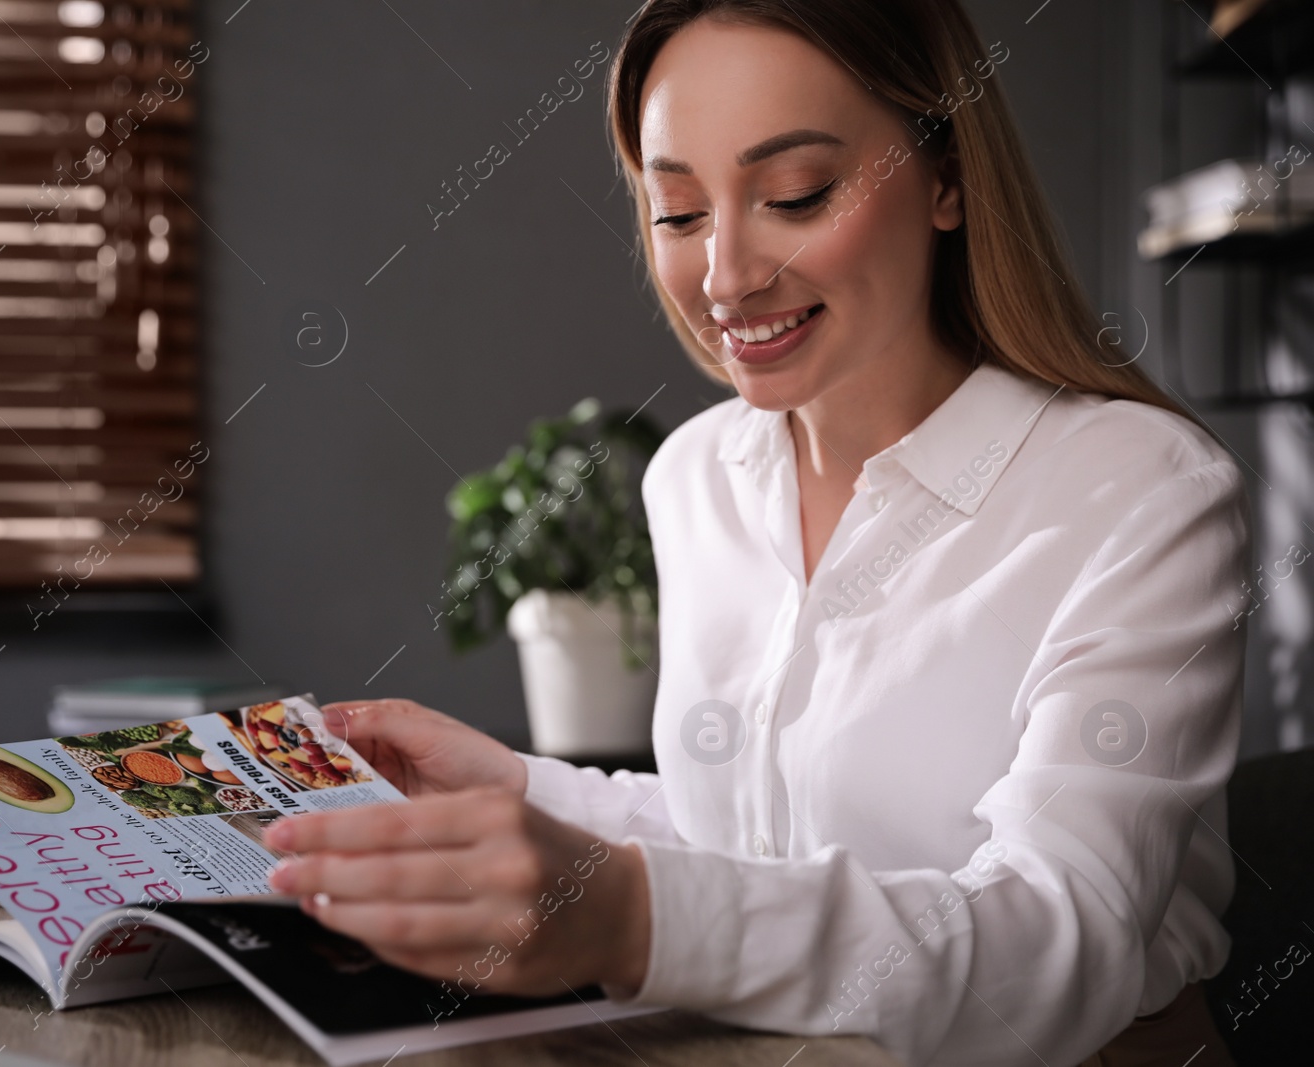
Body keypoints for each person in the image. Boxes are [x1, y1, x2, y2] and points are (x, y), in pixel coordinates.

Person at [264, 2, 1248, 1064]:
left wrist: (635, 920)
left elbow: (1064, 940)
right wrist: (510, 789)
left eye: (794, 195)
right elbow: (753, 841)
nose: (725, 277)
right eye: (676, 210)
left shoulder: (1141, 491)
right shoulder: (697, 475)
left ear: (948, 177)